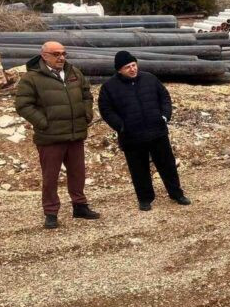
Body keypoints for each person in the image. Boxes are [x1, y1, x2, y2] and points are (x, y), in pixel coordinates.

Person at [15, 41, 100, 229]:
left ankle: (80, 206)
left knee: (78, 173)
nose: (61, 57)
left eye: (63, 53)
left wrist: (87, 114)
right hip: (50, 138)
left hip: (75, 133)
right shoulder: (31, 78)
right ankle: (51, 213)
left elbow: (87, 94)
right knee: (50, 177)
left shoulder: (73, 72)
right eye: (56, 54)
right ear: (44, 56)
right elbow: (23, 105)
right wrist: (43, 123)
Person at [98, 51, 191, 211]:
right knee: (138, 169)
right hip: (131, 136)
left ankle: (176, 194)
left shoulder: (149, 78)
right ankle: (145, 199)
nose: (132, 69)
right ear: (119, 70)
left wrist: (164, 116)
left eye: (134, 65)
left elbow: (165, 97)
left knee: (167, 165)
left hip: (157, 131)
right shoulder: (109, 87)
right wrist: (121, 126)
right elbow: (106, 110)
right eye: (128, 67)